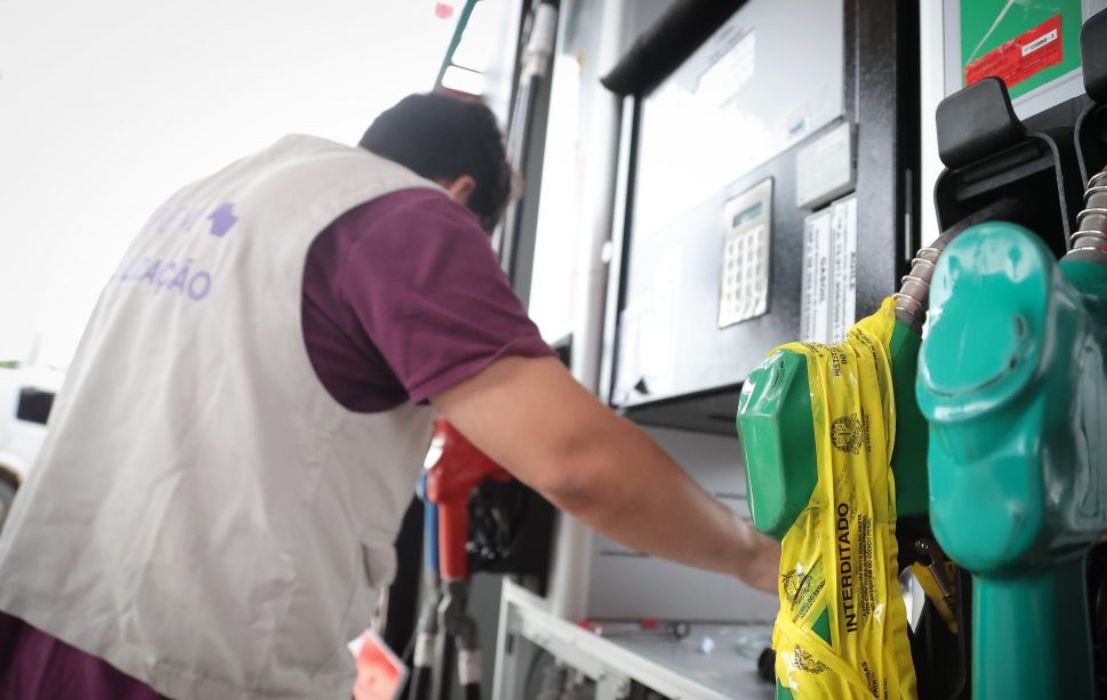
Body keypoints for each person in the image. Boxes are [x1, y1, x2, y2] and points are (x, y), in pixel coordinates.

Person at [0, 92, 779, 700]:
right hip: (189, 669)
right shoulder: (410, 217)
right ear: (462, 193)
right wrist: (751, 557)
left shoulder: (213, 201)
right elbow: (575, 462)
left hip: (40, 628)